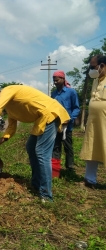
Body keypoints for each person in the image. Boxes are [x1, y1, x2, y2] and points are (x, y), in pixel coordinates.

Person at [0, 86, 70, 202]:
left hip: (49, 114)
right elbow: (11, 129)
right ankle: (36, 183)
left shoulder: (6, 91)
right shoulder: (10, 109)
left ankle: (46, 195)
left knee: (42, 152)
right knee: (31, 147)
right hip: (42, 118)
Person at [80, 54, 106, 188]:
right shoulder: (96, 80)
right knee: (92, 148)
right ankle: (90, 180)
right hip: (94, 121)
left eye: (93, 66)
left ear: (102, 66)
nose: (91, 70)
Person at [51, 70, 80, 170]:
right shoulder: (54, 94)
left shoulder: (71, 92)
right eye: (54, 80)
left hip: (67, 126)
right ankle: (55, 170)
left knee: (68, 147)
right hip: (56, 125)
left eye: (57, 80)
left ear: (63, 79)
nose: (55, 82)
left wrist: (69, 119)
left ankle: (69, 168)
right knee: (56, 147)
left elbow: (76, 108)